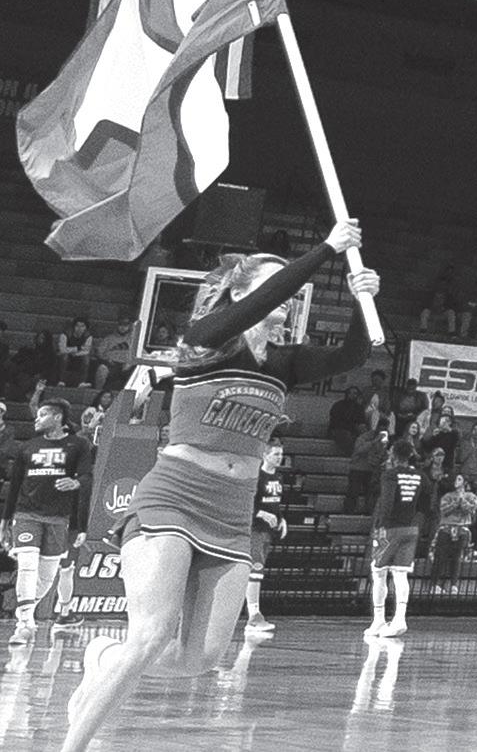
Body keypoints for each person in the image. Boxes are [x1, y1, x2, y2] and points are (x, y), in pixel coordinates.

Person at [58, 221, 378, 752]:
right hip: (175, 496)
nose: (289, 294)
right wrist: (326, 248)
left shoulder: (285, 362)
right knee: (151, 634)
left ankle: (104, 657)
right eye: (275, 284)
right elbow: (259, 305)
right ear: (239, 291)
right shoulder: (203, 341)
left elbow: (350, 356)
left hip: (232, 511)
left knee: (198, 659)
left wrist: (361, 301)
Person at [7, 398, 91, 642]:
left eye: (42, 414)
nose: (36, 418)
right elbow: (14, 486)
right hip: (26, 514)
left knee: (47, 577)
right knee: (27, 565)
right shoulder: (28, 446)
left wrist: (76, 482)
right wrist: (5, 520)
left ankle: (25, 609)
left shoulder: (78, 445)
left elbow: (87, 477)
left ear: (57, 417)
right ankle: (25, 623)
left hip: (58, 518)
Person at [364, 435, 431, 639]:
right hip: (411, 528)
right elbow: (426, 505)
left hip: (389, 529)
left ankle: (378, 620)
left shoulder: (390, 475)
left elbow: (386, 503)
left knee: (379, 573)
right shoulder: (421, 476)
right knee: (401, 575)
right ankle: (400, 618)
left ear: (393, 455)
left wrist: (380, 527)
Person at [242, 439, 291, 637]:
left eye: (281, 454)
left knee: (258, 572)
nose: (279, 458)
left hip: (267, 532)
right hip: (254, 530)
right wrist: (261, 514)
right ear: (265, 455)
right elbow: (247, 503)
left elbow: (275, 503)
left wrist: (281, 519)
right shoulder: (256, 476)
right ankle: (254, 616)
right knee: (255, 571)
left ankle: (254, 615)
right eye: (275, 454)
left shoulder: (278, 478)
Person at [432, 473, 477, 594]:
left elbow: (470, 510)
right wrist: (456, 502)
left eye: (459, 479)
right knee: (441, 556)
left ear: (464, 482)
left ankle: (453, 584)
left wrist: (462, 499)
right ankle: (436, 584)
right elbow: (444, 510)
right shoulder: (447, 496)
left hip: (462, 527)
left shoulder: (471, 496)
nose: (456, 481)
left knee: (457, 557)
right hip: (446, 526)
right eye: (455, 479)